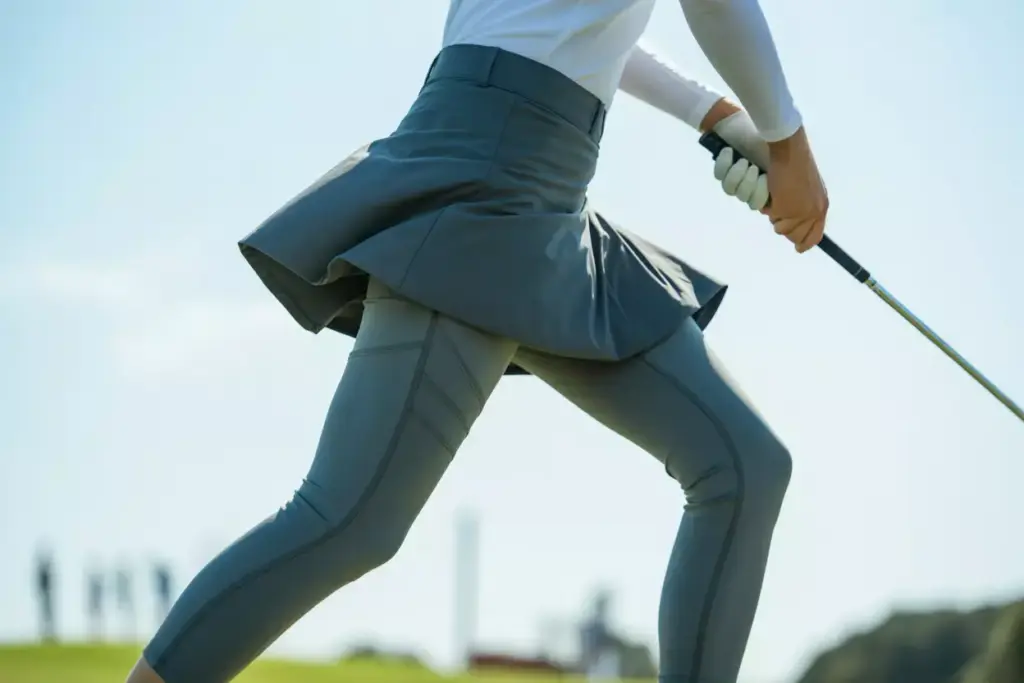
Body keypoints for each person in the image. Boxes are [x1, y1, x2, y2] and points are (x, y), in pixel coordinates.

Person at [126, 0, 829, 680]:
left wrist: (720, 115)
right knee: (349, 517)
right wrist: (789, 145)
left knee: (744, 464)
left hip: (550, 191)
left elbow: (583, 23)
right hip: (487, 173)